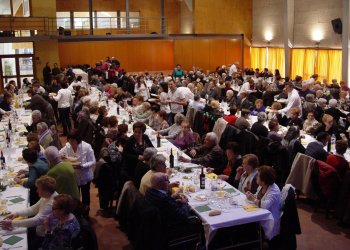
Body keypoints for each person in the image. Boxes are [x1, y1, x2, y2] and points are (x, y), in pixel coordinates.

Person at [0, 176, 58, 250]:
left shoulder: (51, 203)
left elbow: (35, 221)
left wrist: (12, 223)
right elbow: (33, 209)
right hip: (39, 229)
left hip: (45, 236)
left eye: (38, 189)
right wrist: (16, 214)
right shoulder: (47, 196)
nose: (36, 191)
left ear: (45, 190)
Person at [59, 130, 96, 215]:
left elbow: (93, 161)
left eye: (73, 140)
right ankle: (77, 214)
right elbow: (59, 154)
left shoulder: (86, 147)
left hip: (85, 175)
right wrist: (61, 156)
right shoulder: (67, 146)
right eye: (69, 140)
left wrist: (82, 166)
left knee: (86, 195)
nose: (71, 142)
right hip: (73, 176)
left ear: (78, 140)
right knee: (75, 196)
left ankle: (86, 214)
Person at [246, 166, 281, 240]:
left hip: (269, 219)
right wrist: (252, 195)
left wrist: (252, 199)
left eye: (258, 176)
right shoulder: (262, 186)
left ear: (264, 179)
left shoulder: (273, 190)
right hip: (261, 213)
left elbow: (265, 205)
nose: (256, 177)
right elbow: (257, 196)